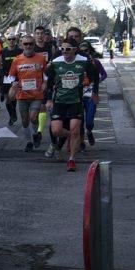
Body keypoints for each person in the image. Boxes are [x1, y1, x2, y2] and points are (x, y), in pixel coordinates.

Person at [45, 38, 99, 171]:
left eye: (67, 49)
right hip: (59, 101)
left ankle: (71, 159)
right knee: (56, 130)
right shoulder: (56, 62)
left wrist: (94, 92)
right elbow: (49, 82)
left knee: (75, 129)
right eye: (62, 49)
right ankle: (72, 136)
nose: (64, 52)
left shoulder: (83, 61)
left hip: (76, 102)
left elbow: (95, 76)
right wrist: (48, 99)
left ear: (75, 50)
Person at [8, 35, 47, 152]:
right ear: (21, 45)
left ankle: (35, 134)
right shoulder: (17, 60)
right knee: (25, 121)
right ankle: (29, 141)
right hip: (22, 94)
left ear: (34, 45)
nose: (28, 46)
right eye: (26, 44)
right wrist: (13, 84)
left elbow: (46, 74)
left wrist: (45, 83)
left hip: (36, 94)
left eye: (31, 43)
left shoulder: (41, 58)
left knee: (33, 117)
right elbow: (11, 76)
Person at [78, 41, 107, 147]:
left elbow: (104, 74)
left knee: (89, 121)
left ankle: (89, 132)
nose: (84, 53)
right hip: (78, 96)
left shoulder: (95, 62)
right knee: (79, 121)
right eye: (81, 52)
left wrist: (97, 81)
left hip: (91, 96)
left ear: (90, 51)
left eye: (86, 51)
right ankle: (81, 143)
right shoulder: (75, 63)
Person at [0, 35, 21, 126]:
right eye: (9, 39)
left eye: (13, 39)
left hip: (16, 77)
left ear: (16, 40)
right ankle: (12, 114)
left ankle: (13, 115)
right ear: (6, 41)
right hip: (6, 77)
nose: (11, 41)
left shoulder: (20, 51)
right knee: (7, 99)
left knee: (12, 97)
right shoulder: (3, 51)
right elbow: (0, 65)